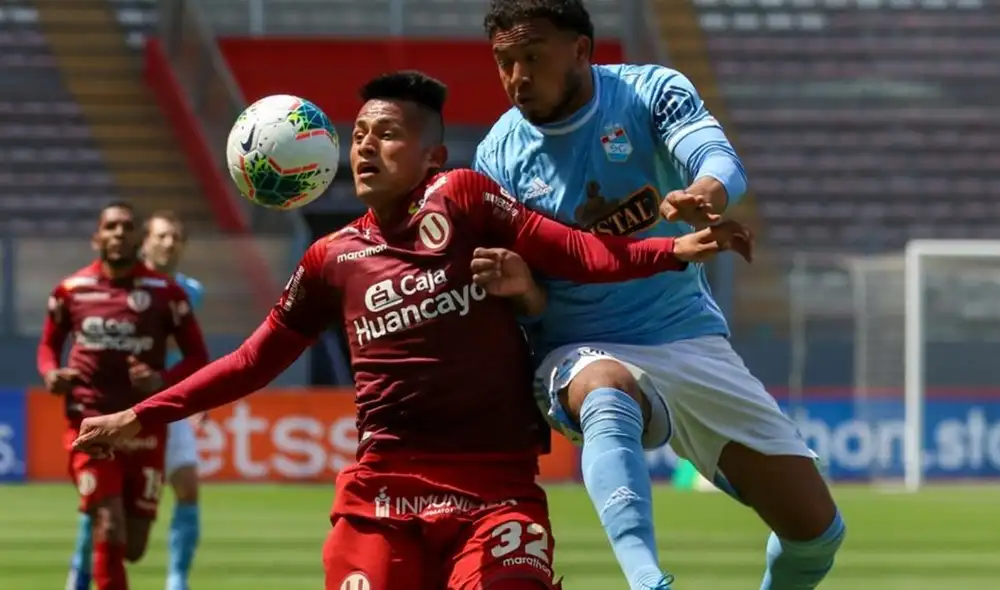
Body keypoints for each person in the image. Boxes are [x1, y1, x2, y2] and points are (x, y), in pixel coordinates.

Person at [71, 72, 752, 590]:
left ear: (431, 156)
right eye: (360, 134)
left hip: (497, 492)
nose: (367, 144)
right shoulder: (330, 259)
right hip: (381, 496)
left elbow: (573, 251)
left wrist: (674, 250)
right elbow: (252, 361)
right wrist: (141, 412)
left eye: (389, 133)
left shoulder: (464, 195)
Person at [473, 2, 845, 589]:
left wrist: (705, 190)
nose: (517, 77)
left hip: (687, 337)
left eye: (532, 58)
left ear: (580, 50)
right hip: (580, 349)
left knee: (816, 534)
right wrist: (524, 294)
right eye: (504, 61)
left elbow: (718, 158)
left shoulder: (650, 92)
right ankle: (648, 581)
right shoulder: (497, 158)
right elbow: (527, 300)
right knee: (608, 389)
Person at [38, 202, 210, 590]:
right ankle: (88, 576)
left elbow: (196, 355)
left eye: (177, 238)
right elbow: (49, 344)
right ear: (146, 241)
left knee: (132, 542)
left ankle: (164, 573)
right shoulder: (74, 289)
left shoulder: (180, 293)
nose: (170, 244)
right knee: (106, 516)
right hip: (93, 413)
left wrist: (172, 385)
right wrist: (52, 373)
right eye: (163, 236)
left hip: (155, 408)